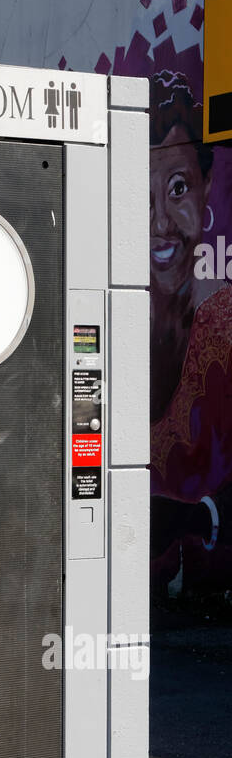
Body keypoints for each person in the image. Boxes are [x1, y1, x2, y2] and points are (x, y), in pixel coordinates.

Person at [148, 71, 232, 588]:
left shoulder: (222, 324)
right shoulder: (100, 323)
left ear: (204, 191)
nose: (159, 220)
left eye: (177, 188)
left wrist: (193, 518)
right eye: (140, 197)